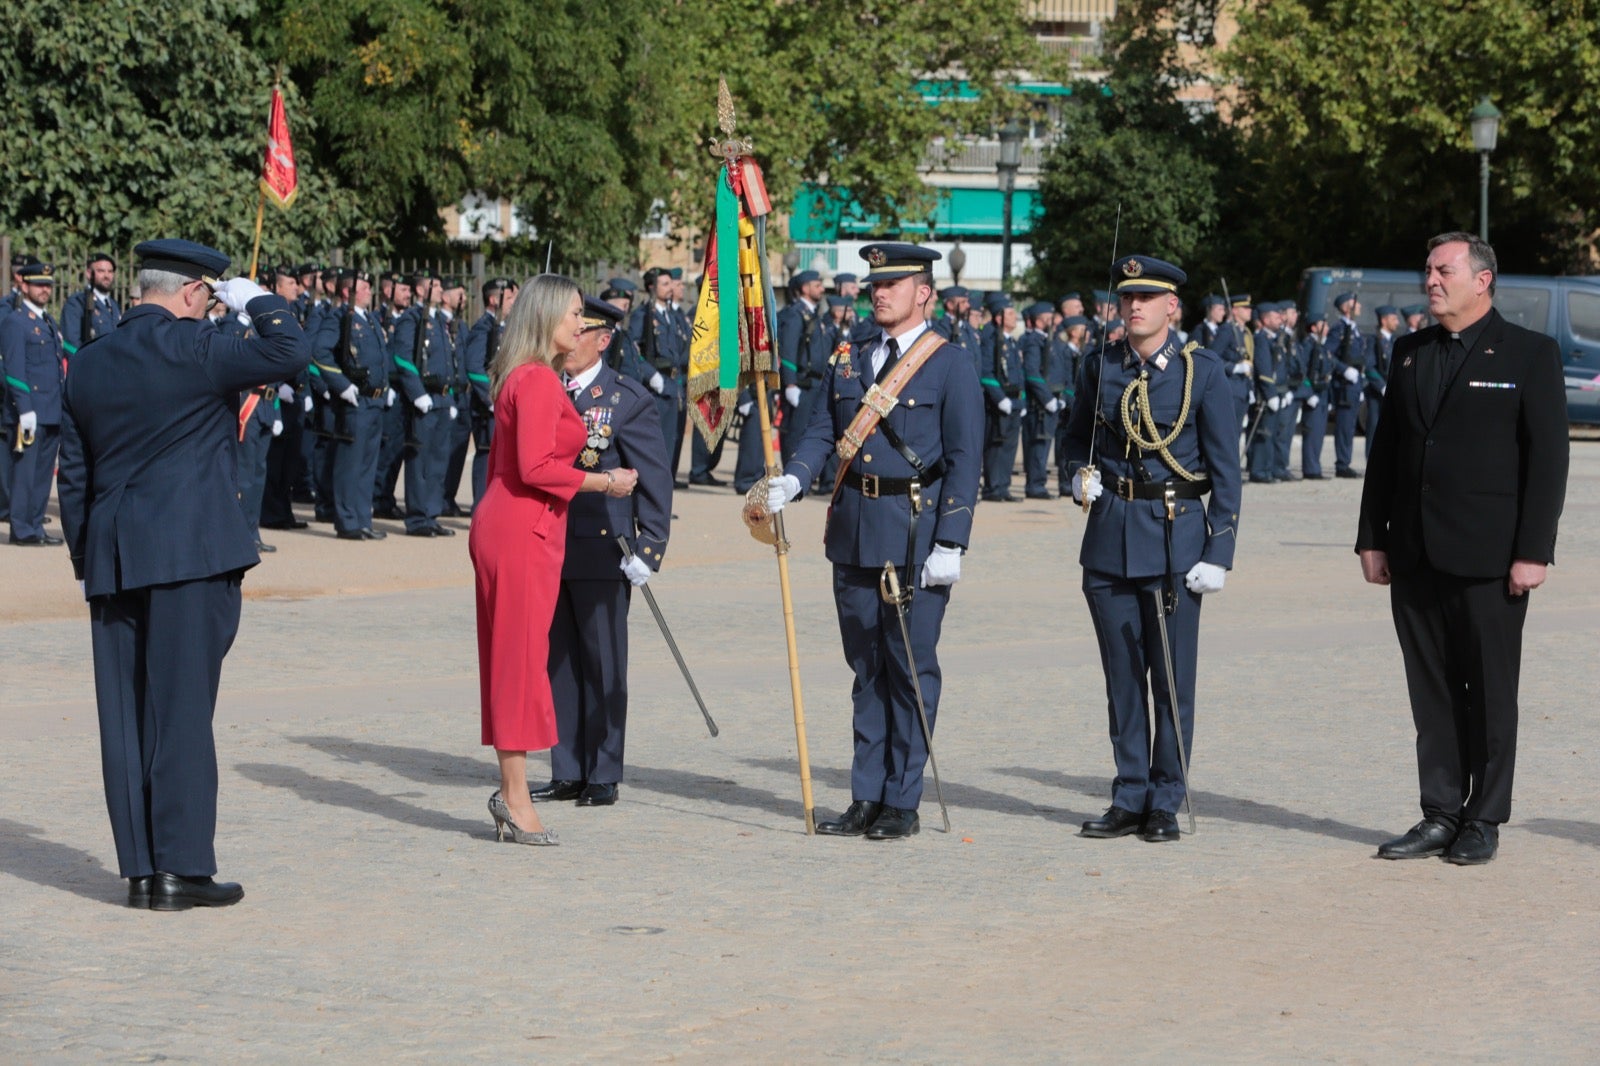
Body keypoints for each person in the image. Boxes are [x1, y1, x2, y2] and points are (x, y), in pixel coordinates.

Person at [56, 238, 311, 908]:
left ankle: (140, 869)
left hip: (114, 558)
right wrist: (258, 300)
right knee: (182, 711)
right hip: (190, 556)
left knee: (125, 717)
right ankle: (182, 869)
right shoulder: (196, 347)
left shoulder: (87, 362)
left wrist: (90, 558)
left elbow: (76, 474)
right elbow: (291, 352)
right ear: (196, 292)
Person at [1357, 232, 1569, 866]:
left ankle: (1484, 817)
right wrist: (1372, 538)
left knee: (1491, 694)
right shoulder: (1410, 352)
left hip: (1490, 559)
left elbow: (1548, 462)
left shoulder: (1530, 354)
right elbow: (1388, 453)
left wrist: (1533, 551)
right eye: (1427, 270)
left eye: (1442, 269)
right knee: (1432, 691)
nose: (1430, 280)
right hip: (1416, 553)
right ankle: (1440, 812)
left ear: (1483, 280)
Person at [765, 242, 984, 841]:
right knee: (865, 669)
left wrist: (952, 541)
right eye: (875, 283)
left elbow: (966, 462)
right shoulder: (849, 355)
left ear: (925, 293)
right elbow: (820, 430)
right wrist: (795, 477)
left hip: (915, 531)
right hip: (855, 526)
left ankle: (901, 799)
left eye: (894, 283)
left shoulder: (950, 363)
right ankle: (865, 793)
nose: (879, 292)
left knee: (908, 668)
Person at [1062, 255, 1241, 843]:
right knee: (1121, 681)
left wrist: (1219, 551)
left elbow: (1224, 471)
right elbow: (1074, 436)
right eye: (1126, 297)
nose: (1133, 306)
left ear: (1172, 307)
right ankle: (1129, 792)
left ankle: (1166, 797)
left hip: (1174, 538)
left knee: (1169, 679)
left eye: (1147, 298)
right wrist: (1076, 473)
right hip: (1110, 536)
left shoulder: (1202, 373)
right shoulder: (1100, 365)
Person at [469, 274, 640, 846]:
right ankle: (514, 798)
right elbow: (537, 467)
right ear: (546, 319)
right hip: (523, 528)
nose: (581, 324)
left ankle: (512, 790)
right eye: (573, 314)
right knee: (517, 665)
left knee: (514, 661)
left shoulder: (521, 374)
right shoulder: (539, 380)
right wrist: (606, 481)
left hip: (513, 523)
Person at [530, 296, 672, 807]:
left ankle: (603, 770)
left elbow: (654, 478)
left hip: (602, 546)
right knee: (559, 662)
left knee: (603, 661)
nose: (565, 338)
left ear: (603, 339)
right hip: (548, 544)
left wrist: (649, 548)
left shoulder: (625, 398)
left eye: (578, 329)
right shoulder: (542, 385)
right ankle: (566, 767)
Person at [313, 269, 391, 540]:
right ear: (347, 292)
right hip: (355, 401)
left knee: (368, 463)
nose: (370, 291)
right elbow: (319, 352)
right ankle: (347, 521)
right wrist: (341, 385)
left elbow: (380, 358)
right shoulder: (338, 318)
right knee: (350, 463)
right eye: (365, 287)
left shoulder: (368, 319)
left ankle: (362, 518)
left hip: (375, 401)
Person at [2, 260, 66, 545]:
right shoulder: (15, 321)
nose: (44, 290)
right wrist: (24, 409)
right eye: (38, 284)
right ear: (23, 285)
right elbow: (14, 370)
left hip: (51, 408)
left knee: (42, 474)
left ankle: (35, 525)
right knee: (25, 473)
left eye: (48, 285)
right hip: (29, 410)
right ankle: (21, 528)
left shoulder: (48, 321)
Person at [1326, 291, 1365, 478]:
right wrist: (1343, 370)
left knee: (1350, 427)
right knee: (1344, 426)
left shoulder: (1354, 328)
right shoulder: (1339, 329)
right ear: (1345, 307)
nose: (1359, 306)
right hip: (1344, 384)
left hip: (1355, 384)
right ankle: (1342, 464)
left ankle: (1345, 461)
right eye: (1354, 303)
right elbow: (1327, 355)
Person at [60, 253, 122, 357]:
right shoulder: (78, 302)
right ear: (89, 274)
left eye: (110, 271)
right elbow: (70, 343)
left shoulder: (113, 305)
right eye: (101, 271)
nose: (107, 276)